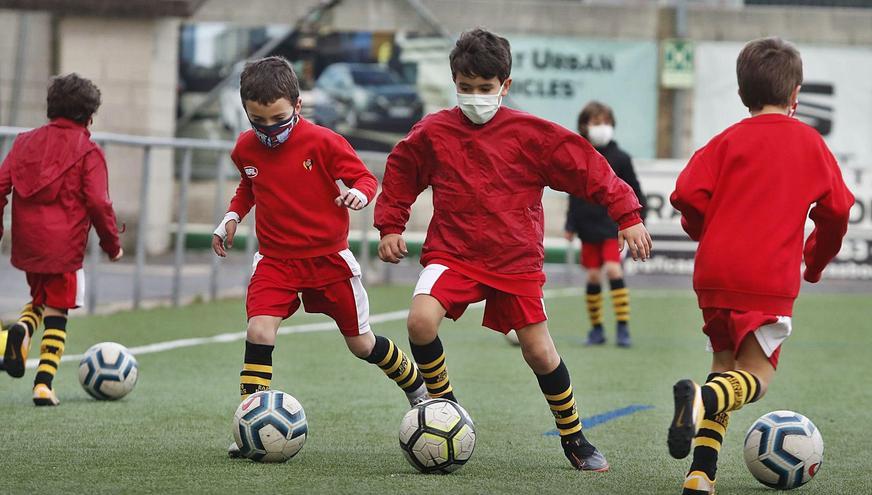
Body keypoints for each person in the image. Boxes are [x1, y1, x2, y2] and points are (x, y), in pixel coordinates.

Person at [374, 29, 652, 472]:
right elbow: (402, 171)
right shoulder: (433, 132)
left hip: (515, 259)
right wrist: (391, 225)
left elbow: (587, 168)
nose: (475, 97)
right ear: (454, 82)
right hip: (454, 252)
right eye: (465, 88)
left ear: (505, 86)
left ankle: (574, 437)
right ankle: (446, 407)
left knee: (539, 352)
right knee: (420, 322)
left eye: (485, 89)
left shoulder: (532, 134)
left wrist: (627, 214)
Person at [212, 56, 428, 458]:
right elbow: (249, 186)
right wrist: (230, 216)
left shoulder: (323, 141)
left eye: (278, 118)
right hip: (275, 261)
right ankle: (250, 427)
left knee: (362, 344)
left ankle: (418, 390)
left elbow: (365, 178)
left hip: (328, 261)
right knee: (259, 332)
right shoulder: (244, 147)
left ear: (297, 106)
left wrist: (359, 195)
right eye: (258, 121)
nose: (269, 130)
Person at [666, 37, 854, 495]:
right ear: (796, 95)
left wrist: (706, 233)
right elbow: (839, 211)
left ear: (741, 93)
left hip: (714, 274)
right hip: (766, 280)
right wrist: (813, 261)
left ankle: (700, 475)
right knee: (757, 377)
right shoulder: (810, 143)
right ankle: (701, 401)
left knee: (724, 364)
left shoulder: (725, 141)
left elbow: (686, 194)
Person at [0, 73, 123, 406]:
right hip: (64, 246)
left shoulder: (23, 142)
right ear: (90, 116)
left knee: (40, 296)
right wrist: (111, 244)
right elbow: (99, 202)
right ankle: (43, 383)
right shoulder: (88, 151)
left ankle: (17, 334)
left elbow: (0, 187)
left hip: (26, 242)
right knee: (58, 309)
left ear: (50, 109)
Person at [565, 101, 646, 347]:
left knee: (612, 270)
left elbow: (635, 192)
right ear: (584, 126)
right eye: (596, 123)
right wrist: (570, 224)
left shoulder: (621, 158)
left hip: (613, 228)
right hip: (587, 229)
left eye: (606, 123)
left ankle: (623, 327)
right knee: (592, 277)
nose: (602, 128)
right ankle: (597, 329)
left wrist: (634, 220)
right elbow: (573, 193)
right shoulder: (579, 156)